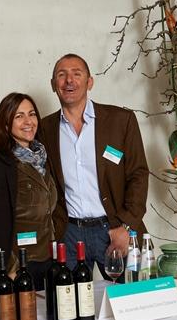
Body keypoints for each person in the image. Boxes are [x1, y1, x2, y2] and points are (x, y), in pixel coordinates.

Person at [41, 54, 149, 278]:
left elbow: (138, 175)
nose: (69, 80)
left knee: (134, 295)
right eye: (61, 75)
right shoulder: (43, 129)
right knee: (70, 299)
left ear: (90, 82)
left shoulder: (121, 120)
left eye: (76, 74)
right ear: (53, 85)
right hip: (69, 234)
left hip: (115, 229)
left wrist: (126, 227)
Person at [0, 92, 57, 297]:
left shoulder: (45, 161)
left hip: (47, 263)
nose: (28, 121)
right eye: (19, 116)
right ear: (6, 125)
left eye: (32, 114)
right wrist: (2, 272)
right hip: (16, 268)